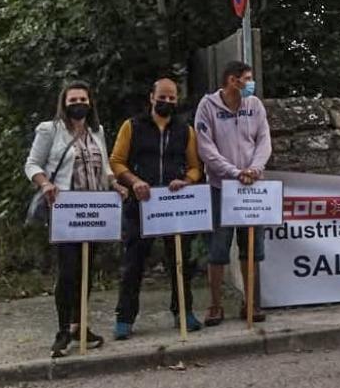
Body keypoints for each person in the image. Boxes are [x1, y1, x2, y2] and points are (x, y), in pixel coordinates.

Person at [24, 81, 128, 357]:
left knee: (86, 270)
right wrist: (45, 183)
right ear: (64, 102)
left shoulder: (97, 131)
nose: (78, 103)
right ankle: (62, 331)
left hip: (95, 211)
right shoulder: (50, 130)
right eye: (73, 99)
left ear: (90, 102)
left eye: (83, 98)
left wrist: (114, 184)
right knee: (68, 271)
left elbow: (104, 166)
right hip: (66, 211)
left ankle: (80, 325)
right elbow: (32, 163)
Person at [110, 78, 204, 339]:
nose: (167, 102)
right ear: (151, 97)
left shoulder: (185, 130)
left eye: (172, 98)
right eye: (162, 97)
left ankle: (184, 312)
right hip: (140, 205)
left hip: (174, 206)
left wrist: (186, 181)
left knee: (180, 261)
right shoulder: (131, 126)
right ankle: (125, 318)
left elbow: (196, 166)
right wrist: (135, 181)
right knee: (133, 264)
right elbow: (116, 162)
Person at [195, 61, 274, 324]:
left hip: (252, 188)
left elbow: (264, 139)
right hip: (221, 187)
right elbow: (206, 148)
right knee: (218, 249)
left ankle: (250, 303)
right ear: (232, 80)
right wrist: (233, 172)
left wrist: (254, 168)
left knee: (251, 248)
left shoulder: (255, 106)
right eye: (247, 78)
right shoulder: (207, 107)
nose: (251, 83)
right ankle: (215, 305)